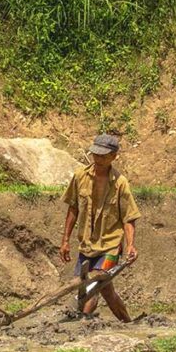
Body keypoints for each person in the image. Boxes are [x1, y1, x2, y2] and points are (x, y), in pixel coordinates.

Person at [59, 134, 141, 322]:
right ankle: (128, 323)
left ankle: (82, 323)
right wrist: (65, 241)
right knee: (106, 289)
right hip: (86, 245)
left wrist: (130, 245)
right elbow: (73, 208)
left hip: (110, 247)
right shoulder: (80, 176)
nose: (98, 159)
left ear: (114, 156)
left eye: (103, 156)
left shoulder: (120, 183)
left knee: (94, 285)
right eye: (96, 154)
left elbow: (129, 217)